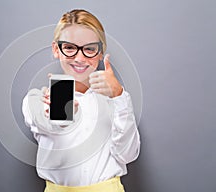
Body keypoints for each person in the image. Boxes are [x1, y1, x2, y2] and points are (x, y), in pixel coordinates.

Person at [22, 9, 140, 192]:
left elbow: (128, 155)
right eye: (69, 48)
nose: (79, 58)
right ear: (56, 49)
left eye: (89, 49)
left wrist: (118, 95)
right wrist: (62, 104)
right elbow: (49, 123)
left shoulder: (116, 101)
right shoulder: (38, 100)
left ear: (100, 53)